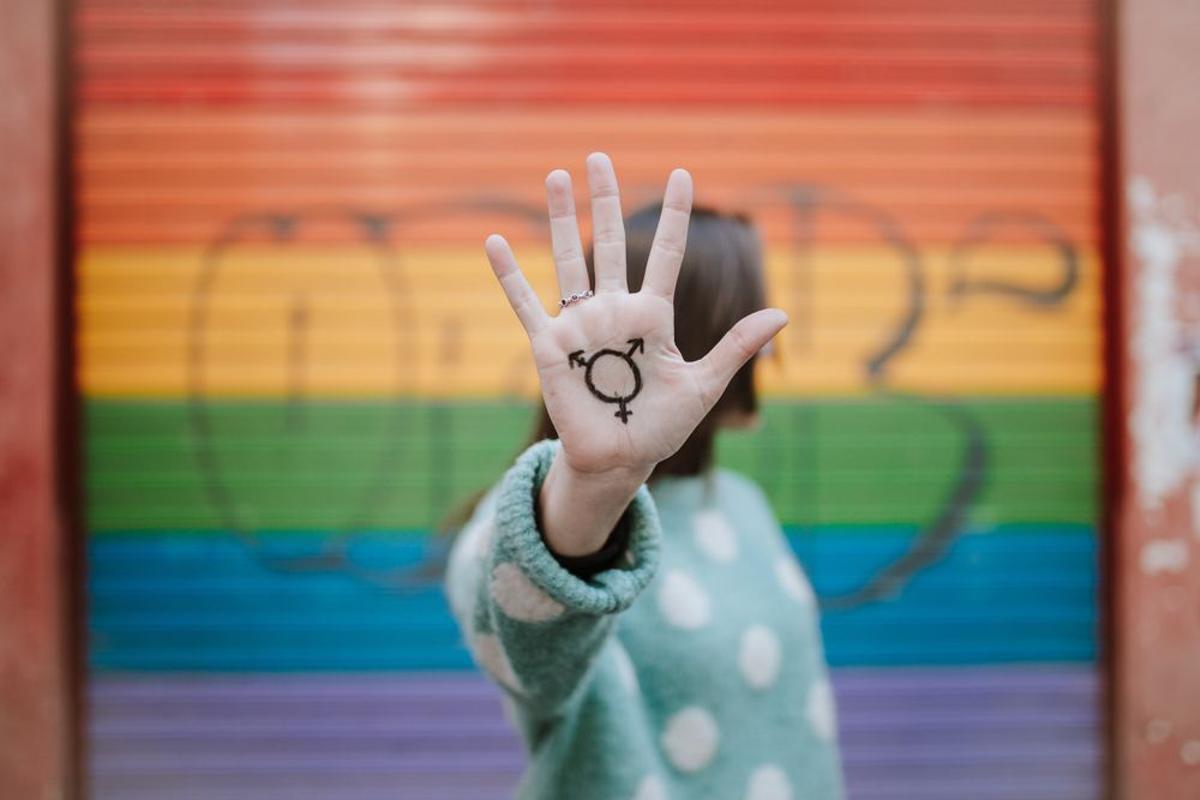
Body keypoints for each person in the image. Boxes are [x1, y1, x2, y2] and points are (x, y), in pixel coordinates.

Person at [445, 153, 844, 800]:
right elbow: (529, 648)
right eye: (751, 307)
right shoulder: (516, 529)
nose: (771, 349)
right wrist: (595, 489)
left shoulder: (738, 503)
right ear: (694, 333)